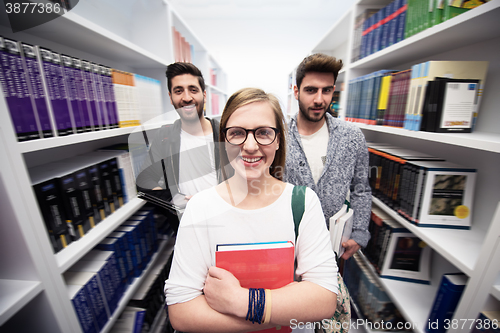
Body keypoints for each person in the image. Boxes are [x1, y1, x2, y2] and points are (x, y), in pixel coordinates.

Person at [164, 88, 338, 332]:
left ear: (278, 140)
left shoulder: (303, 203)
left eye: (264, 133)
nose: (250, 145)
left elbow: (324, 298)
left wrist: (239, 301)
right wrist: (282, 311)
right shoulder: (200, 208)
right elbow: (182, 311)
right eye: (237, 133)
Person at [285, 53, 372, 260]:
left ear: (334, 90)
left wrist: (359, 234)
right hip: (286, 244)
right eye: (311, 90)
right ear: (296, 91)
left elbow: (361, 189)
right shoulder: (278, 136)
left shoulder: (352, 137)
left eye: (326, 90)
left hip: (332, 248)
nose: (319, 99)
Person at [135, 62, 222, 207]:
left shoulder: (227, 135)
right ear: (170, 97)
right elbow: (145, 179)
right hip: (185, 223)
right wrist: (173, 200)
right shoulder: (165, 136)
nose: (187, 98)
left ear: (204, 95)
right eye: (178, 91)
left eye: (193, 90)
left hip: (225, 219)